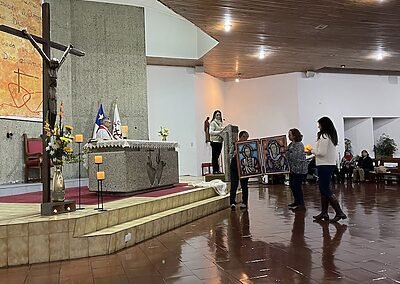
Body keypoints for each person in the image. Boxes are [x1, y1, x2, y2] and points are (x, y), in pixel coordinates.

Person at [308, 117, 347, 223]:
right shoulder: (330, 135)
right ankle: (324, 212)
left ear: (323, 125)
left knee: (325, 189)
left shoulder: (324, 136)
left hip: (325, 165)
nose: (318, 126)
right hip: (327, 164)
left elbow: (322, 152)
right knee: (323, 189)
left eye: (319, 124)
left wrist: (311, 150)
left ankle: (339, 212)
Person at [287, 128, 308, 210]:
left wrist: (287, 152)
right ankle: (296, 201)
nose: (288, 136)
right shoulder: (291, 144)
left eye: (290, 135)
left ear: (295, 136)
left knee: (297, 186)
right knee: (292, 185)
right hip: (293, 169)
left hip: (299, 169)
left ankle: (301, 204)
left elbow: (296, 157)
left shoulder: (299, 145)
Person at [230, 130, 250, 210]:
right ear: (241, 137)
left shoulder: (248, 146)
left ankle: (244, 202)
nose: (246, 139)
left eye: (247, 138)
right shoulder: (234, 145)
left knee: (244, 186)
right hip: (235, 168)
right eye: (245, 137)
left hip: (243, 168)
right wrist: (234, 153)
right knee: (234, 185)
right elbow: (229, 154)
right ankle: (232, 202)